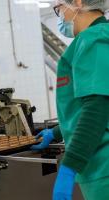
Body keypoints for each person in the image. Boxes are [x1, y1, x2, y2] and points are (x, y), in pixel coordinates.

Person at [31, 0, 109, 200]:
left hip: (103, 168)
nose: (61, 17)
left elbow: (96, 108)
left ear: (78, 3)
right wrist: (57, 131)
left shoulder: (93, 39)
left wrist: (69, 167)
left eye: (59, 9)